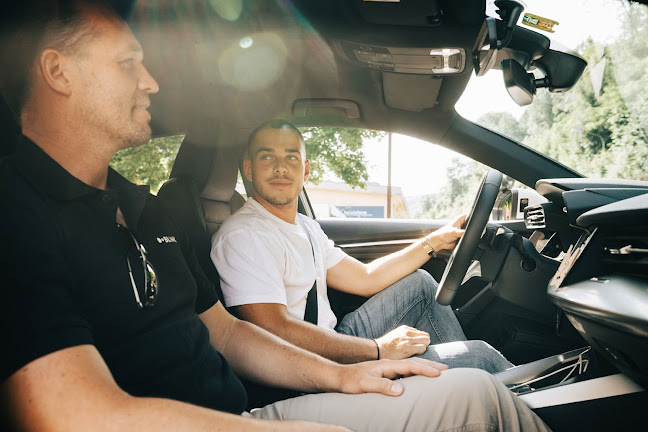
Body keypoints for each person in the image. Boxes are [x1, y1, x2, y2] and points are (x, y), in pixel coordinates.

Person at [0, 2, 550, 431]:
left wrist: (347, 375)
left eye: (294, 158)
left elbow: (225, 333)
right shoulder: (18, 211)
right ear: (58, 71)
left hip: (238, 413)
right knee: (476, 393)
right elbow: (74, 417)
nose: (151, 82)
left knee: (471, 389)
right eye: (128, 63)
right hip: (224, 421)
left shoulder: (148, 207)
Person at [211, 119, 513, 372]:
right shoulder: (244, 235)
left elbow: (365, 278)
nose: (280, 167)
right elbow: (273, 330)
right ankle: (481, 389)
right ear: (249, 170)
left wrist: (435, 240)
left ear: (305, 171)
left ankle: (460, 387)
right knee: (479, 358)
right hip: (305, 367)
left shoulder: (305, 226)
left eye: (291, 157)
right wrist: (377, 350)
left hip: (327, 339)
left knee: (421, 285)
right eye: (267, 157)